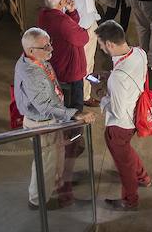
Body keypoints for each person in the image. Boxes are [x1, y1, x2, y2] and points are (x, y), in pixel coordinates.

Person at [14, 28, 95, 211]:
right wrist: (74, 113)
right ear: (31, 50)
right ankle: (38, 201)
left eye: (50, 43)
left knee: (54, 159)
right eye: (45, 46)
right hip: (42, 124)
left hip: (51, 121)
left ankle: (56, 187)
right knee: (45, 165)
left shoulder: (36, 59)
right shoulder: (32, 74)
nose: (51, 49)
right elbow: (44, 106)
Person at [94, 20, 150, 211]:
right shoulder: (139, 53)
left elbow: (116, 110)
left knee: (124, 166)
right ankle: (143, 176)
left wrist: (102, 95)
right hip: (136, 116)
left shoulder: (118, 78)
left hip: (120, 126)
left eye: (101, 45)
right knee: (126, 153)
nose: (101, 48)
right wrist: (109, 76)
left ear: (109, 44)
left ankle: (129, 200)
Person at [37, 0, 89, 110]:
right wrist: (83, 29)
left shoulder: (44, 15)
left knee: (61, 103)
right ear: (60, 3)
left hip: (57, 68)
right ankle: (75, 130)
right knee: (75, 109)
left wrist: (71, 12)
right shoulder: (62, 21)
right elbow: (83, 38)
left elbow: (69, 30)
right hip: (70, 71)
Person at [59, 0, 101, 106]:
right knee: (80, 66)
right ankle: (82, 98)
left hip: (91, 26)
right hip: (79, 33)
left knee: (90, 62)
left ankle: (87, 90)